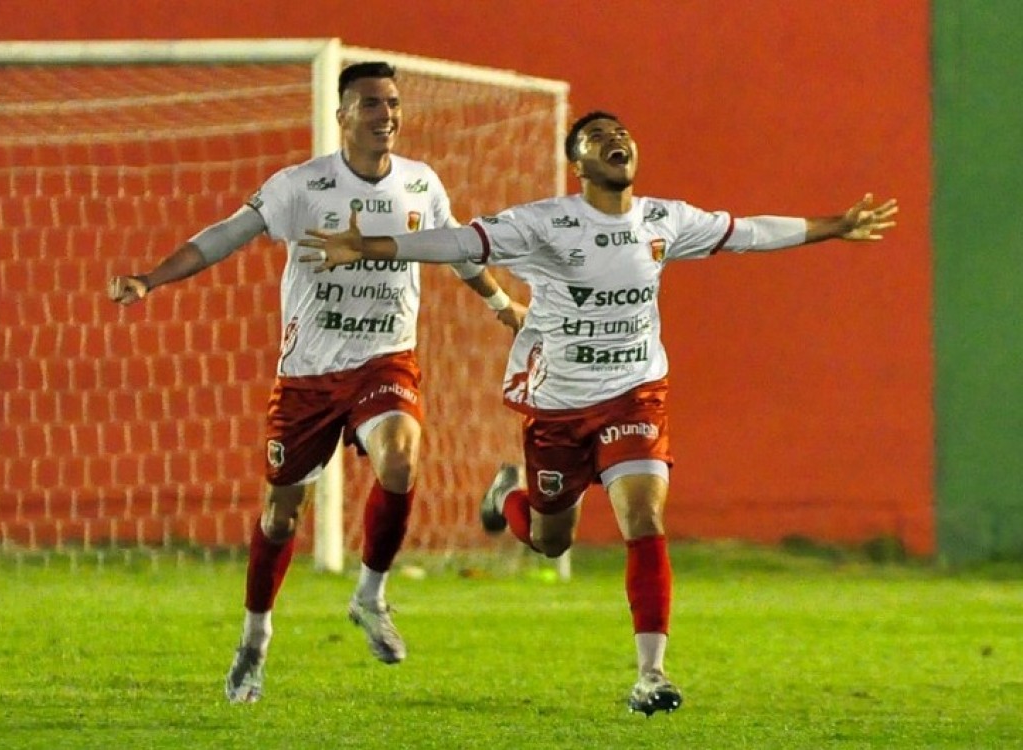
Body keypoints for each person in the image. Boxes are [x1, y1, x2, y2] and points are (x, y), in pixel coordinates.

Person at [298, 110, 898, 715]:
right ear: (577, 164)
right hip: (558, 407)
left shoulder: (664, 220)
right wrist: (370, 246)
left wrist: (835, 226)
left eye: (622, 134)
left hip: (636, 394)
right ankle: (509, 495)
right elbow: (460, 243)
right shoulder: (545, 224)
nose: (616, 140)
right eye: (598, 137)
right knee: (550, 540)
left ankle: (651, 674)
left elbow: (748, 232)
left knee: (643, 515)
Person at [107, 61, 526, 704]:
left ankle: (370, 596)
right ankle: (254, 640)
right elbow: (224, 236)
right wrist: (150, 279)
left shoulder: (421, 183)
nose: (386, 114)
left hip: (385, 359)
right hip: (308, 375)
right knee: (281, 517)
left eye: (392, 103)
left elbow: (455, 250)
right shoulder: (300, 186)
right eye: (371, 103)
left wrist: (500, 304)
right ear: (342, 115)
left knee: (401, 456)